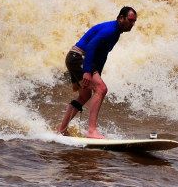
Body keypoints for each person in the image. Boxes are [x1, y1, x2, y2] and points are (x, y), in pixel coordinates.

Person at [57, 7, 137, 138]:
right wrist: (87, 71)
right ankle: (92, 131)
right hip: (78, 57)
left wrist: (96, 73)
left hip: (76, 58)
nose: (132, 24)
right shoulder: (110, 30)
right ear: (121, 18)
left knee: (84, 95)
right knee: (101, 88)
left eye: (134, 21)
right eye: (130, 20)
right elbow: (91, 47)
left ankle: (61, 129)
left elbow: (102, 55)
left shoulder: (116, 32)